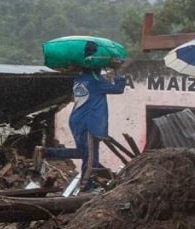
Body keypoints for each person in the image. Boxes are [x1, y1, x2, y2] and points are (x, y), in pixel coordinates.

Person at [37, 58, 127, 188]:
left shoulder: (79, 79)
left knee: (82, 152)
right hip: (90, 122)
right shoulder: (96, 81)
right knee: (91, 157)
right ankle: (86, 185)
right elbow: (118, 89)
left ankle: (46, 152)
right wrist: (117, 70)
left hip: (77, 120)